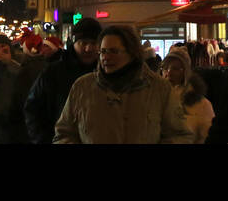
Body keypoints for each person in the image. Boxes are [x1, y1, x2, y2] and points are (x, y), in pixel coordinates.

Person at [53, 24, 193, 144]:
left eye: (114, 51)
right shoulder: (82, 87)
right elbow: (64, 134)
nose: (106, 57)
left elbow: (180, 135)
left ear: (132, 53)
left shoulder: (159, 89)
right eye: (102, 52)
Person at [24, 18, 100, 143]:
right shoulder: (54, 72)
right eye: (83, 43)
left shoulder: (105, 73)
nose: (88, 48)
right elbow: (33, 108)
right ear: (74, 43)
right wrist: (43, 139)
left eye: (94, 43)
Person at [161, 46, 214, 143]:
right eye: (165, 68)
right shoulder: (156, 100)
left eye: (175, 69)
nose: (168, 73)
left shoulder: (202, 105)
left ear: (185, 72)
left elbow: (207, 137)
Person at [0, 33, 29, 143]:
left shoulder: (22, 59)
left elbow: (25, 80)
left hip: (18, 117)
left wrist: (9, 63)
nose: (2, 49)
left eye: (3, 45)